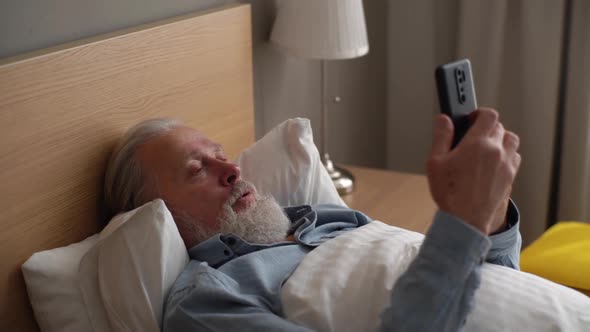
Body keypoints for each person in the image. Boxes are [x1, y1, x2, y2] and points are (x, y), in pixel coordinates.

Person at [103, 108, 522, 331]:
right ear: (156, 215)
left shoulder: (321, 218)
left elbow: (498, 290)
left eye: (221, 154)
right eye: (197, 170)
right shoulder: (206, 301)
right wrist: (462, 225)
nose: (231, 171)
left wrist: (493, 212)